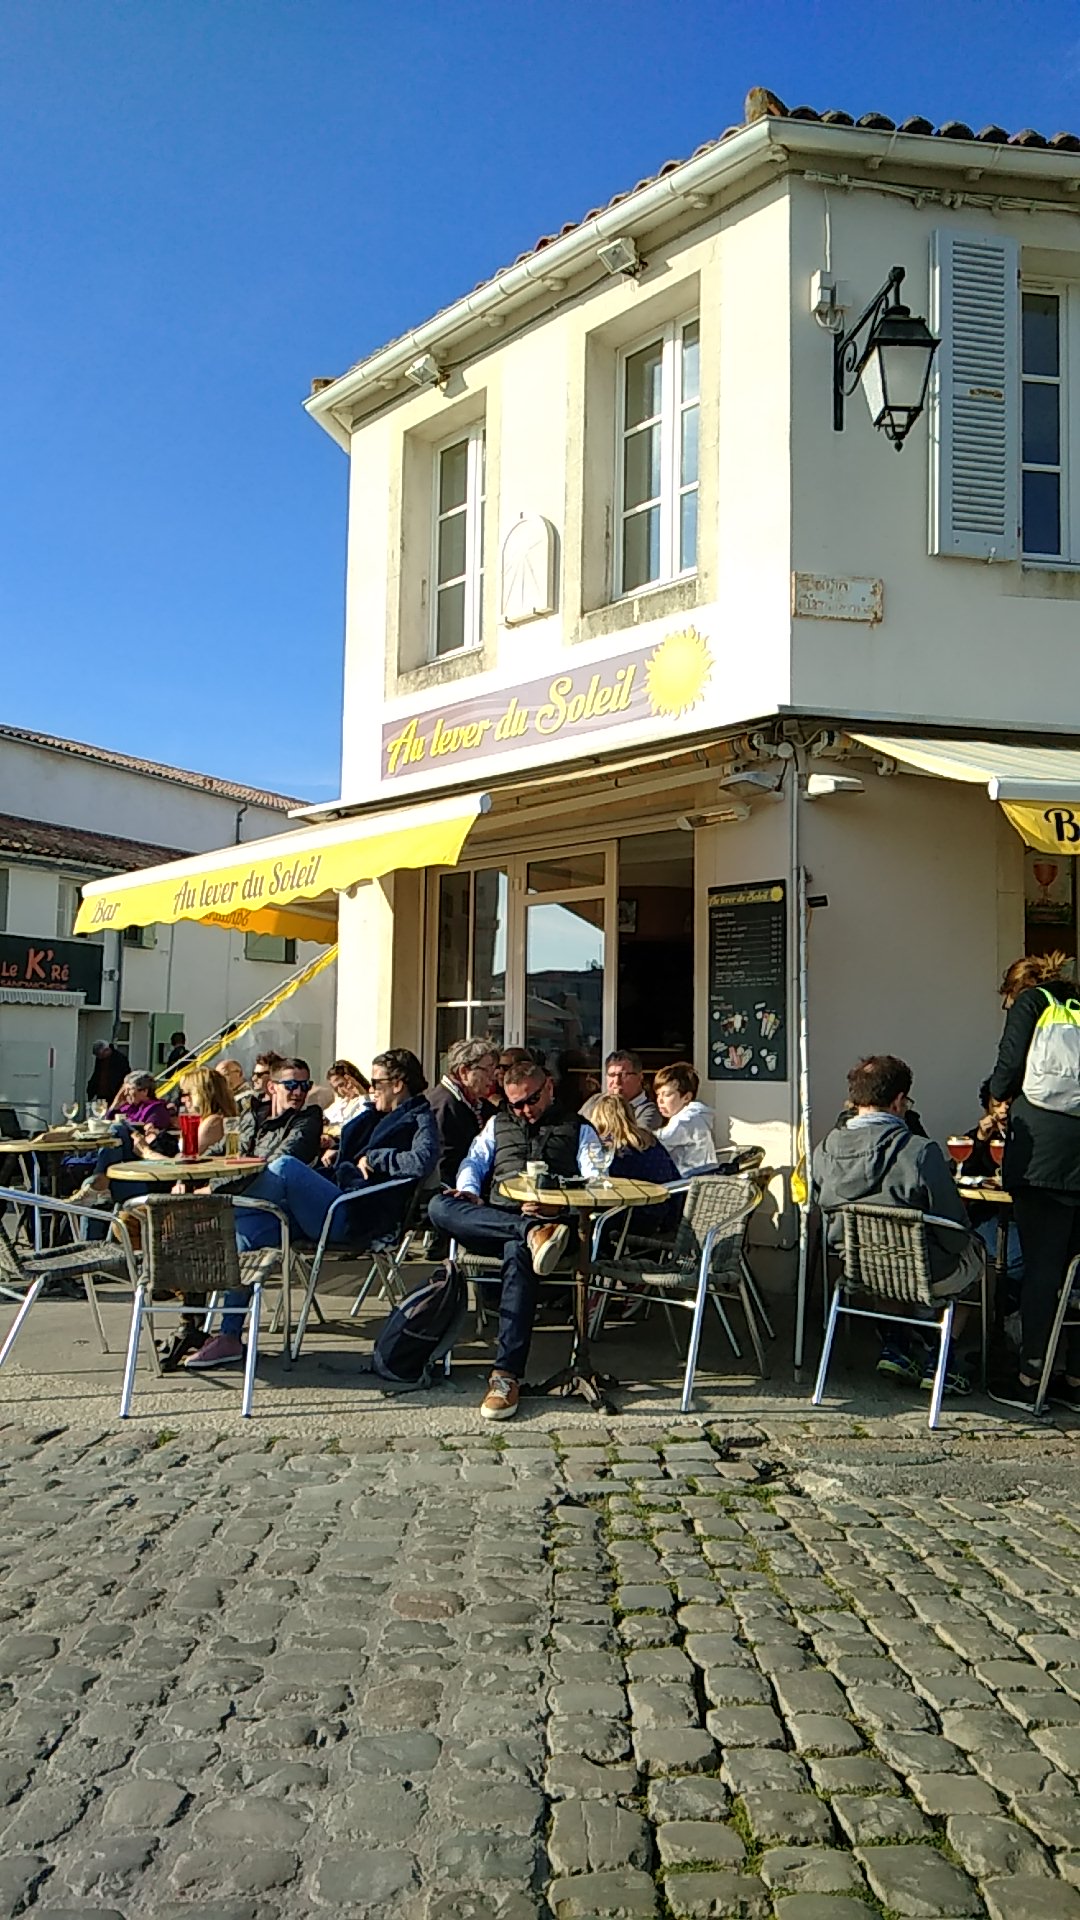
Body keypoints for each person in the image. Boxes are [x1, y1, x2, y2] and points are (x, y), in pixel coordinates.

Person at [186, 1050, 438, 1370]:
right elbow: (354, 1151)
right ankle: (229, 1336)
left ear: (398, 1084)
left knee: (285, 1168)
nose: (370, 1089)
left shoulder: (419, 1117)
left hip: (356, 1215)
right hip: (330, 1204)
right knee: (247, 1228)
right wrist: (337, 1150)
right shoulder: (374, 1115)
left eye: (376, 1083)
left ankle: (214, 1202)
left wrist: (375, 1159)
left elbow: (422, 1161)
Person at [427, 1058, 604, 1422]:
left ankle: (506, 1374)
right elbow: (473, 1162)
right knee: (439, 1206)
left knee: (518, 1252)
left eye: (531, 1100)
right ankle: (528, 1233)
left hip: (554, 1227)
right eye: (516, 1104)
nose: (525, 1110)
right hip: (499, 1220)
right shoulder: (497, 1124)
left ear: (549, 1088)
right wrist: (469, 1191)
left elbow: (597, 1182)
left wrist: (557, 1206)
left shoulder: (578, 1128)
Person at [813, 1053, 983, 1394]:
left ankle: (896, 1347)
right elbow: (953, 1229)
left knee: (884, 1262)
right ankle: (941, 1361)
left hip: (859, 1270)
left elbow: (823, 1207)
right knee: (977, 1255)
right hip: (924, 1273)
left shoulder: (825, 1149)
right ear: (898, 1101)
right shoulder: (919, 1151)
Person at [988, 952, 1080, 1414]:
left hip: (1041, 1155)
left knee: (1042, 1266)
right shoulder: (1077, 1006)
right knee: (1077, 1269)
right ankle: (1075, 1377)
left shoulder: (1031, 1004)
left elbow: (1007, 1070)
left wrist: (994, 1098)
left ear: (1014, 989)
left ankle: (1031, 1376)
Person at [70, 1073, 174, 1202]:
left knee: (118, 1128)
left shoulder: (156, 1109)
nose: (125, 1093)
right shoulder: (126, 1107)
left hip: (137, 1154)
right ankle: (99, 1182)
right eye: (124, 1089)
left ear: (145, 1091)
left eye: (129, 1089)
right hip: (117, 1156)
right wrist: (115, 1103)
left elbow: (151, 1136)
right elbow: (104, 1124)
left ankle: (100, 1179)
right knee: (90, 1183)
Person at [964, 1079, 1023, 1303]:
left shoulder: (1030, 1140)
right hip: (987, 1214)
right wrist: (980, 1140)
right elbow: (959, 1171)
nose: (1004, 1110)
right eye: (997, 1104)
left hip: (1021, 1215)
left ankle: (1007, 1302)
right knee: (1015, 1255)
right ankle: (1005, 1304)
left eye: (1010, 1104)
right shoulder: (978, 1137)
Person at [427, 1038, 497, 1185]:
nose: (493, 1077)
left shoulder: (479, 1104)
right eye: (487, 1070)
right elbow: (443, 1166)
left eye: (494, 1070)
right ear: (464, 1072)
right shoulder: (442, 1106)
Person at [654, 1062, 717, 1174]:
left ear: (686, 1097)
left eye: (666, 1094)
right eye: (658, 1094)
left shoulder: (687, 1120)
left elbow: (658, 1143)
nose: (660, 1100)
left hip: (688, 1180)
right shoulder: (696, 1116)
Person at [582, 1050, 663, 1133]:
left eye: (623, 1075)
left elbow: (635, 1139)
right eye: (612, 1075)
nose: (617, 1081)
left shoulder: (648, 1112)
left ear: (640, 1077)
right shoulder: (595, 1100)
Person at [323, 1059, 372, 1129]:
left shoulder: (370, 1098)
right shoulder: (339, 1104)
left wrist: (362, 1093)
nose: (340, 1091)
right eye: (336, 1088)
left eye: (341, 1085)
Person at [86, 1040, 130, 1106]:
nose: (100, 1057)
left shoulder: (120, 1059)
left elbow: (125, 1076)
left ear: (106, 1050)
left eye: (100, 1055)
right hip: (101, 1094)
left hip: (114, 1094)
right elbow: (97, 1074)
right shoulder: (100, 1060)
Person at [250, 1052, 285, 1125]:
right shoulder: (253, 1101)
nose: (254, 1079)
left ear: (274, 1075)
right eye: (254, 1074)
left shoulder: (284, 1105)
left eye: (259, 1075)